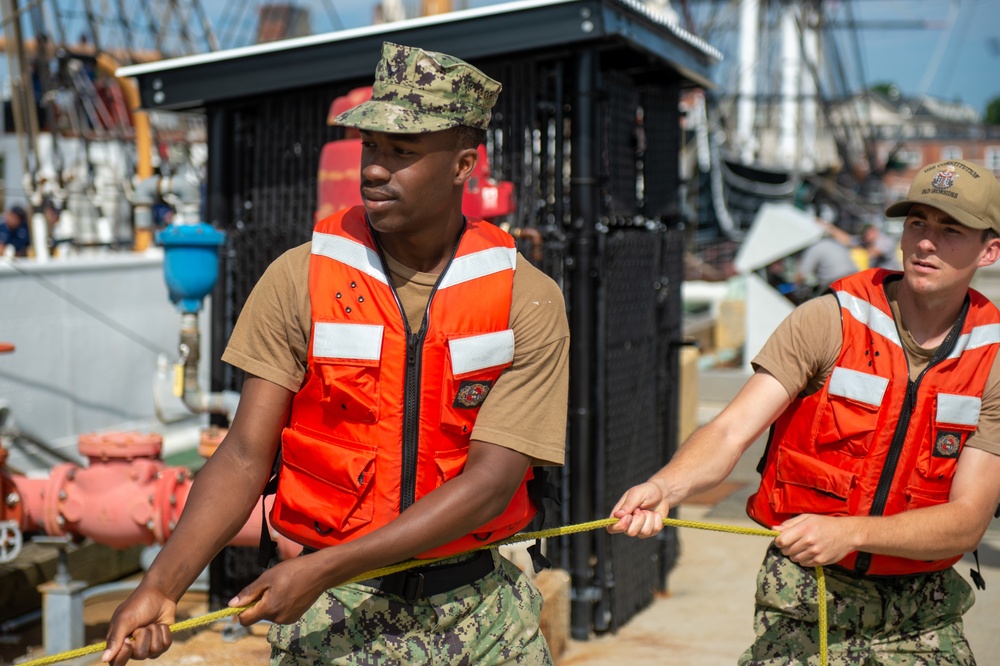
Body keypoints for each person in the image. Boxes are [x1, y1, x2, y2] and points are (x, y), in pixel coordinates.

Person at [102, 42, 569, 665]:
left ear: (464, 165)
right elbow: (243, 457)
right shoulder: (299, 280)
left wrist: (323, 569)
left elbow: (492, 483)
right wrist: (161, 584)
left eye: (401, 152)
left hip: (480, 621)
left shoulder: (526, 298)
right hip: (333, 623)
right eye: (369, 147)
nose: (374, 169)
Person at [609, 158, 1000, 665]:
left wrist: (851, 532)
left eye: (951, 230)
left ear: (989, 250)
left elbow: (968, 521)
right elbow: (731, 431)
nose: (927, 242)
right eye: (917, 223)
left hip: (922, 613)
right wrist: (666, 487)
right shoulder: (830, 319)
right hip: (805, 594)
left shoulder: (992, 359)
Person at [794, 229, 860, 295]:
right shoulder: (835, 243)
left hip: (836, 281)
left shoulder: (815, 247)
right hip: (855, 279)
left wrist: (795, 284)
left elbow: (802, 274)